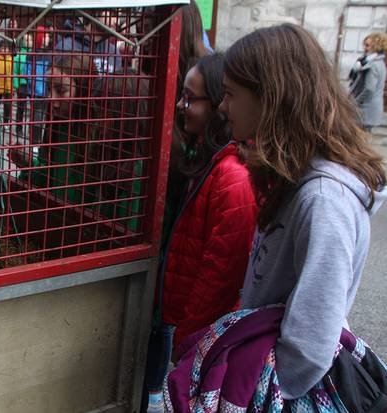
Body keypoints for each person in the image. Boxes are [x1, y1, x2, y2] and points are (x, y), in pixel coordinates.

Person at [167, 24, 387, 411]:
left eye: (232, 95)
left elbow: (310, 340)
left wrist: (259, 395)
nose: (222, 106)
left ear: (272, 98)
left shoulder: (324, 199)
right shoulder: (294, 178)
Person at [144, 53, 257, 412]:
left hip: (195, 333)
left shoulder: (232, 177)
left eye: (191, 98)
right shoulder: (205, 161)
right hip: (178, 320)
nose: (181, 105)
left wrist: (187, 340)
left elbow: (218, 279)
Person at [349, 32, 386, 133]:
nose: (364, 48)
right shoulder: (378, 62)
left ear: (376, 46)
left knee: (359, 139)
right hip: (370, 109)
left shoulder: (373, 65)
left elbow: (369, 89)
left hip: (365, 110)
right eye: (364, 44)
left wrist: (354, 103)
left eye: (368, 45)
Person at [13, 33, 33, 135]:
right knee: (21, 107)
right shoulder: (19, 56)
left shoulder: (34, 55)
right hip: (22, 84)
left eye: (30, 40)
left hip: (32, 84)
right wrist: (16, 85)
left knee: (34, 108)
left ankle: (32, 128)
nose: (29, 42)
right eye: (27, 40)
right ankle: (19, 128)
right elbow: (15, 72)